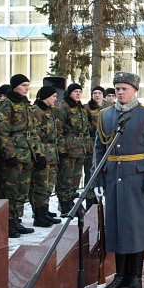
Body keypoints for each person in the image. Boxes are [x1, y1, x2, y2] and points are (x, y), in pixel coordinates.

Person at [95, 71, 144, 288]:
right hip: (114, 178)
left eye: (124, 88)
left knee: (136, 228)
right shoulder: (105, 115)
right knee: (116, 228)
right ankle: (120, 275)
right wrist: (97, 178)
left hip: (138, 179)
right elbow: (99, 149)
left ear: (135, 90)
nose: (120, 92)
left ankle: (136, 275)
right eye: (117, 89)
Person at [0, 74, 45, 238]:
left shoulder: (26, 105)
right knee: (10, 190)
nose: (27, 88)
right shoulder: (5, 105)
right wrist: (9, 155)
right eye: (23, 85)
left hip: (27, 153)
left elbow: (33, 132)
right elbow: (2, 133)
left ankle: (16, 220)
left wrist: (39, 154)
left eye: (28, 85)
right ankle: (7, 222)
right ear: (15, 86)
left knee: (22, 191)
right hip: (14, 154)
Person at [54, 83, 91, 216]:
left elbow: (85, 130)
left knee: (76, 177)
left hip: (80, 148)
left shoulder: (81, 108)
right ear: (69, 93)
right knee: (65, 177)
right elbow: (58, 131)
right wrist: (62, 149)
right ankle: (64, 204)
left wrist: (87, 147)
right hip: (68, 147)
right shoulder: (62, 107)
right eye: (75, 91)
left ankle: (71, 202)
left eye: (80, 91)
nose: (78, 94)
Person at [31, 85, 62, 226]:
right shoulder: (37, 111)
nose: (55, 99)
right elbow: (34, 134)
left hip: (51, 152)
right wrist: (39, 154)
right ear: (45, 96)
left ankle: (45, 211)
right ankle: (39, 216)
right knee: (41, 186)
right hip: (43, 151)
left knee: (49, 186)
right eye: (53, 96)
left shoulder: (49, 111)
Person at [83, 85, 107, 208]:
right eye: (94, 93)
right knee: (91, 171)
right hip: (91, 142)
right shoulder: (86, 108)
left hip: (107, 142)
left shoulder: (109, 107)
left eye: (99, 93)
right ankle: (90, 200)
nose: (97, 95)